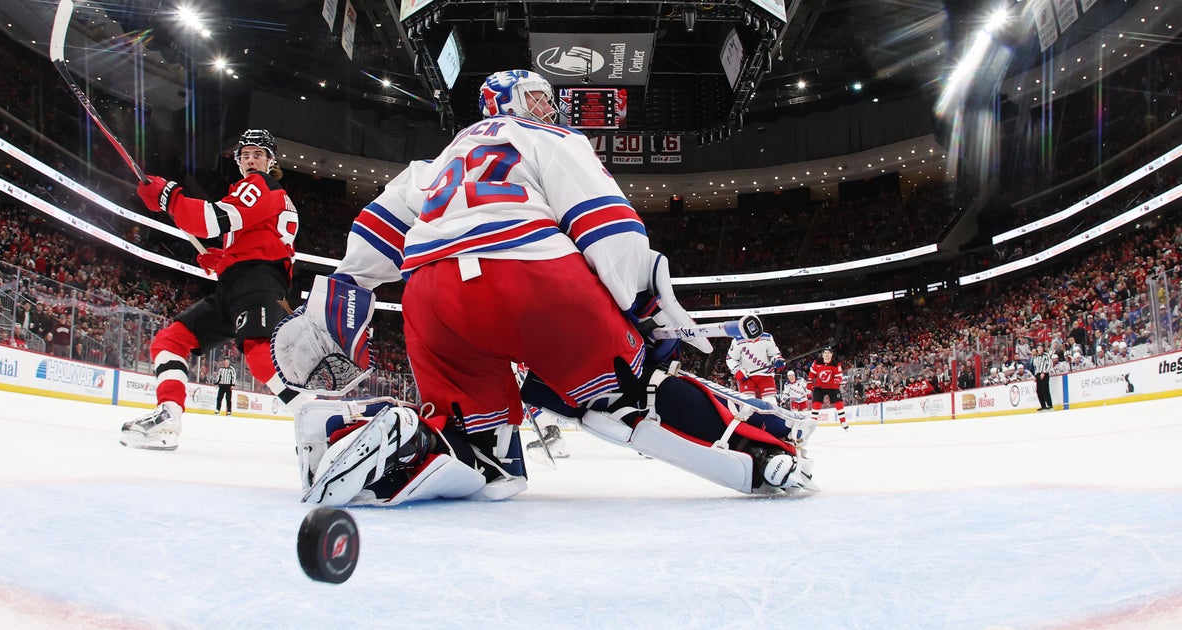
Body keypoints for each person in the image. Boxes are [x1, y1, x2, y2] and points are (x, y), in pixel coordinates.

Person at [271, 69, 818, 507]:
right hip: (529, 277)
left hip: (430, 300)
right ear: (509, 100)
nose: (548, 108)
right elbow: (604, 222)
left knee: (489, 463)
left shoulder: (434, 163)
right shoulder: (549, 138)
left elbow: (374, 234)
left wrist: (340, 295)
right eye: (536, 96)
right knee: (628, 393)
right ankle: (762, 449)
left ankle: (399, 440)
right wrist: (644, 306)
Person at [119, 128, 310, 450]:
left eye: (258, 154)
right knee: (170, 340)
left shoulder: (261, 185)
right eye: (245, 154)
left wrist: (170, 196)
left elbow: (212, 220)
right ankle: (168, 415)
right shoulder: (258, 191)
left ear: (270, 161)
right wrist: (223, 260)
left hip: (259, 281)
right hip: (236, 283)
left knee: (260, 351)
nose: (251, 160)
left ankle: (320, 421)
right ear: (237, 161)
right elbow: (259, 238)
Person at [724, 328, 784, 401]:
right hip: (747, 377)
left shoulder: (767, 337)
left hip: (766, 375)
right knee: (748, 405)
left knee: (770, 402)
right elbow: (730, 358)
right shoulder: (737, 340)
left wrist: (777, 359)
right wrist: (737, 370)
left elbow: (774, 354)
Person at [808, 347, 848, 430]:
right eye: (825, 353)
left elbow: (839, 376)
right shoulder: (816, 362)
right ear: (822, 354)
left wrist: (837, 381)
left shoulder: (836, 364)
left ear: (832, 354)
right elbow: (812, 373)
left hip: (832, 387)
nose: (827, 355)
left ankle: (843, 421)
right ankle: (812, 422)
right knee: (816, 403)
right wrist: (810, 382)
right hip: (819, 387)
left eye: (829, 353)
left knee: (839, 402)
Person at [1031, 342, 1053, 411]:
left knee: (1045, 389)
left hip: (1044, 373)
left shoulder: (1046, 355)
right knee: (1039, 390)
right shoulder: (1036, 357)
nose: (1039, 349)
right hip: (1038, 374)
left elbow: (1050, 364)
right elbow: (1035, 367)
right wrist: (1035, 376)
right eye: (1038, 348)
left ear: (1043, 348)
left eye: (1041, 348)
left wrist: (1044, 372)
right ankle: (1043, 405)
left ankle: (1049, 405)